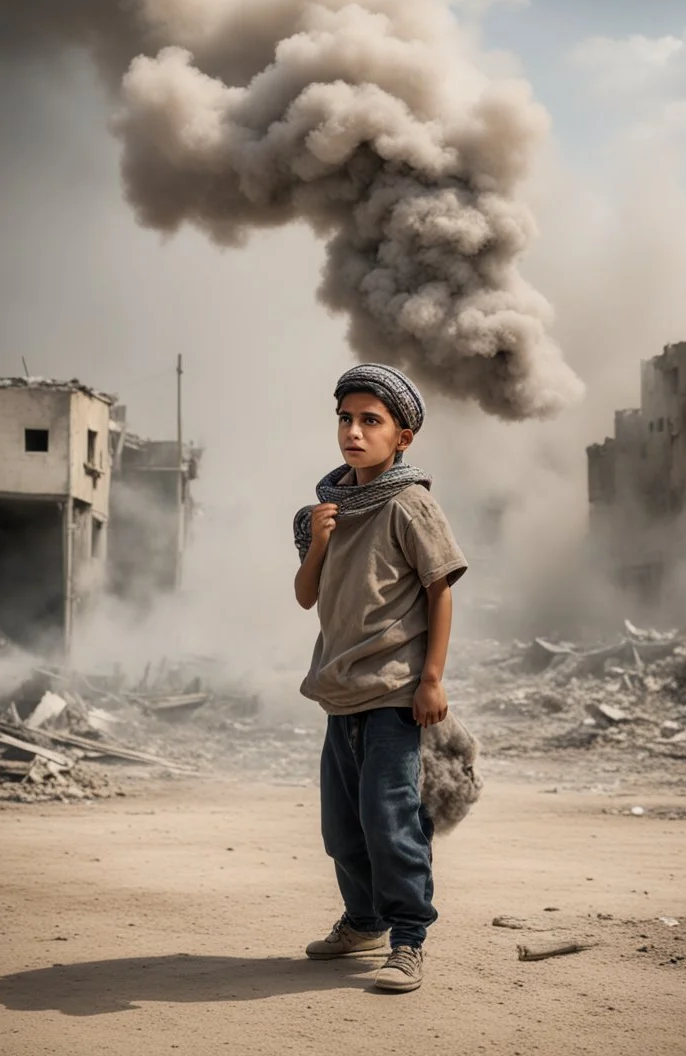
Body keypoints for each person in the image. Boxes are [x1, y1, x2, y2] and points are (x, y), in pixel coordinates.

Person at [293, 363, 467, 993]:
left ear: (403, 436)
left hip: (395, 694)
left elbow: (439, 590)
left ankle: (408, 939)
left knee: (390, 822)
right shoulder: (329, 509)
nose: (355, 432)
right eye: (346, 419)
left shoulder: (409, 502)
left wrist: (432, 679)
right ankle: (361, 922)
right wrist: (317, 540)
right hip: (340, 697)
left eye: (372, 420)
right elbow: (306, 597)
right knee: (342, 828)